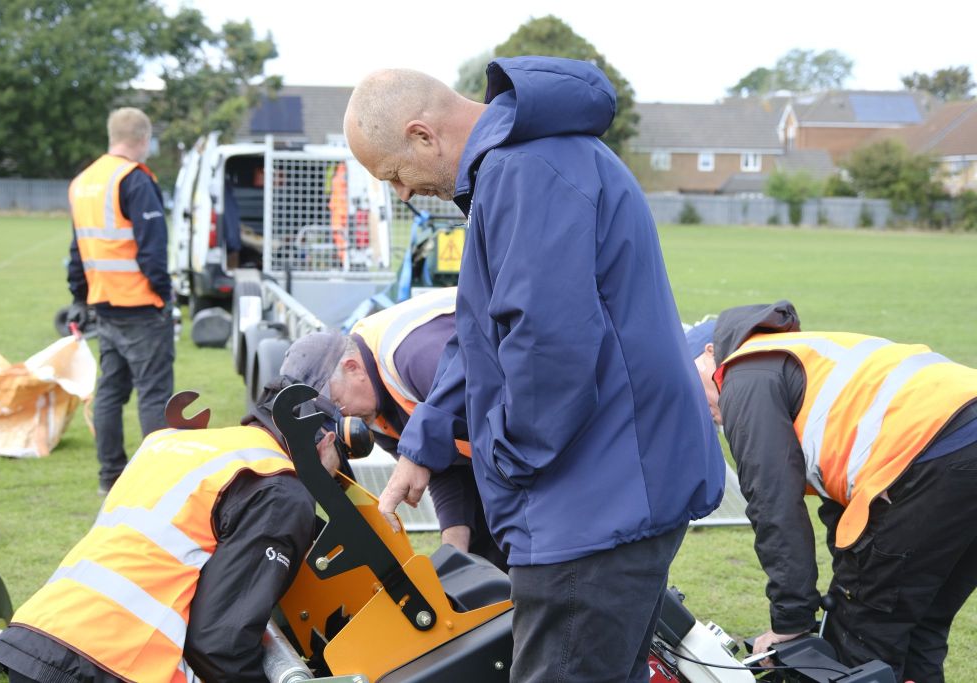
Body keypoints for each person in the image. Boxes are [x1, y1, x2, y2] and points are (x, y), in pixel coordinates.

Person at [344, 57, 725, 682]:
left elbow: (549, 346)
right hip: (612, 482)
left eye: (394, 175)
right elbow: (481, 333)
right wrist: (423, 444)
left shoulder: (524, 172)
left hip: (594, 501)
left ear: (422, 135)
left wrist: (507, 461)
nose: (403, 193)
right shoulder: (520, 166)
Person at [688, 300, 977, 683]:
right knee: (920, 623)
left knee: (863, 634)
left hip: (935, 448)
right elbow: (840, 507)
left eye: (688, 380)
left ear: (711, 353)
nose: (697, 406)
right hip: (953, 437)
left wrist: (791, 620)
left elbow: (773, 504)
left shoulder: (744, 374)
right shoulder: (797, 360)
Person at [0, 380, 340, 682]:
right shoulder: (280, 489)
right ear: (325, 443)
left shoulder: (177, 442)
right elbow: (221, 644)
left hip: (39, 636)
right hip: (111, 664)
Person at [274, 288, 507, 571]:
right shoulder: (374, 407)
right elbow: (442, 466)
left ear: (352, 368)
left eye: (335, 403)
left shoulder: (412, 358)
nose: (341, 418)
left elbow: (498, 417)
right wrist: (454, 552)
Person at [66, 107, 175, 495]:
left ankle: (110, 475)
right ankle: (156, 481)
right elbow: (152, 251)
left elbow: (77, 250)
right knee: (154, 394)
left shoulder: (83, 182)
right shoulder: (135, 179)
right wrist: (164, 294)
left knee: (111, 392)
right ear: (144, 139)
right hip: (141, 305)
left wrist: (80, 297)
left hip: (104, 304)